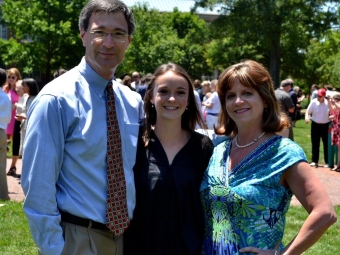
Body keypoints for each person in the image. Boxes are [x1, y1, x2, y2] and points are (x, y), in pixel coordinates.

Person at [21, 1, 144, 255]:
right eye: (99, 32)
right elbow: (38, 185)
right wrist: (56, 249)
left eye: (118, 34)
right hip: (77, 239)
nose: (109, 43)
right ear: (83, 35)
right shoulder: (55, 100)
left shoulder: (133, 101)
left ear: (129, 41)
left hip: (126, 239)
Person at [200, 60, 336, 255]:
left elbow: (325, 213)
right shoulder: (218, 151)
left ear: (264, 99)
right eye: (231, 96)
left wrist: (282, 254)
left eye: (247, 93)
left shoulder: (284, 153)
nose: (238, 101)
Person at [124, 63, 214, 255]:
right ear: (150, 97)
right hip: (138, 249)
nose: (172, 98)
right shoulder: (135, 144)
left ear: (189, 99)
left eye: (180, 92)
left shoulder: (203, 148)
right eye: (163, 91)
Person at [6, 80, 28, 176]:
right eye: (16, 89)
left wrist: (15, 105)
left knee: (22, 146)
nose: (16, 90)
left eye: (18, 89)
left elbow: (25, 108)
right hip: (17, 121)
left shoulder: (26, 97)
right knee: (17, 145)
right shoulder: (21, 96)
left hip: (23, 123)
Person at [305, 88, 330, 168]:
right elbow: (308, 112)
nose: (318, 97)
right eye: (318, 95)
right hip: (315, 124)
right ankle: (314, 161)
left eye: (320, 96)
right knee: (315, 143)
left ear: (324, 96)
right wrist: (307, 117)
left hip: (326, 125)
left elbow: (332, 112)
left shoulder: (327, 103)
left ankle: (327, 162)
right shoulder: (313, 102)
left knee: (326, 144)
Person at [0, 68, 12, 200]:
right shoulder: (6, 97)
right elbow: (8, 118)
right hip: (2, 131)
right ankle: (3, 194)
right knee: (1, 164)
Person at [3, 68, 21, 151]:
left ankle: (14, 162)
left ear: (17, 78)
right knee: (4, 141)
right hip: (6, 117)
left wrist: (16, 105)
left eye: (13, 77)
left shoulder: (19, 89)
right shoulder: (5, 89)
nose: (10, 79)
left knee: (16, 141)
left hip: (15, 117)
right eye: (9, 77)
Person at [327, 91, 340, 171]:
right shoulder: (335, 105)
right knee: (339, 148)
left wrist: (334, 102)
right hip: (336, 127)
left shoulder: (338, 104)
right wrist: (328, 101)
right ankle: (338, 165)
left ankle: (338, 165)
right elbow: (331, 110)